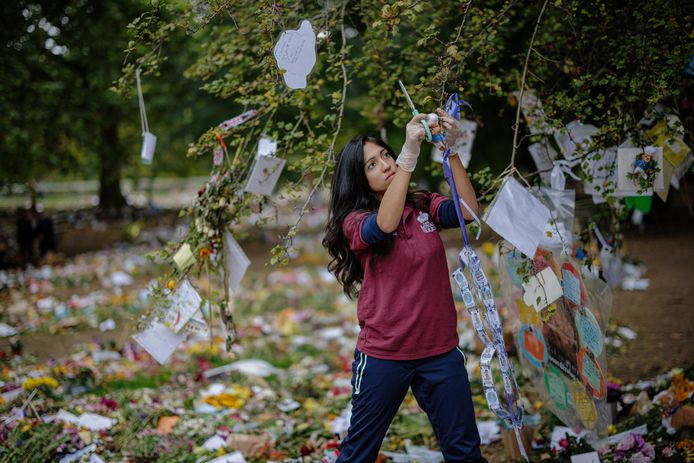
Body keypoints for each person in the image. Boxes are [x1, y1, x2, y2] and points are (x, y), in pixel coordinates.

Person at [323, 108, 488, 462]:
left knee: (465, 453)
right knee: (358, 455)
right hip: (384, 355)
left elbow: (470, 213)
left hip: (440, 352)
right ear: (360, 179)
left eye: (385, 154)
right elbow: (384, 224)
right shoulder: (356, 221)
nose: (384, 164)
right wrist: (408, 155)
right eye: (371, 164)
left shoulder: (424, 205)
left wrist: (451, 149)